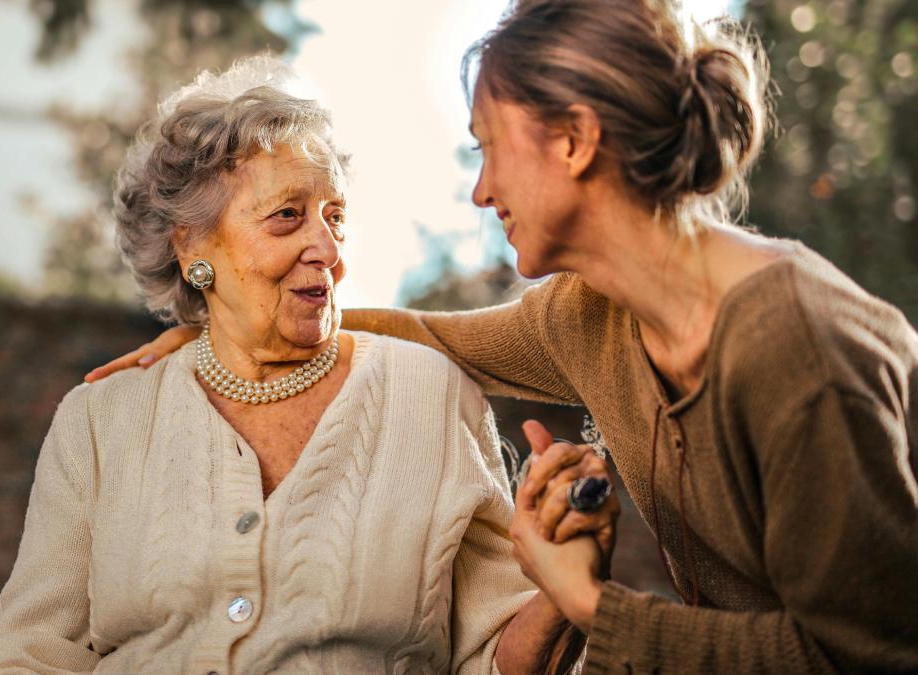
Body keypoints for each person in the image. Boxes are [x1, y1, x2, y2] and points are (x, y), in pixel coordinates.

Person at [86, 1, 918, 672]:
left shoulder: (797, 350)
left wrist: (593, 606)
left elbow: (868, 653)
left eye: (489, 149)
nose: (481, 190)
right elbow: (428, 335)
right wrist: (226, 331)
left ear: (574, 139)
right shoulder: (590, 314)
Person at [0, 56, 617, 674]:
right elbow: (29, 653)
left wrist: (564, 592)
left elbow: (495, 656)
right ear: (191, 248)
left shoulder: (432, 397)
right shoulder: (101, 420)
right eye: (287, 218)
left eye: (335, 217)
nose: (326, 248)